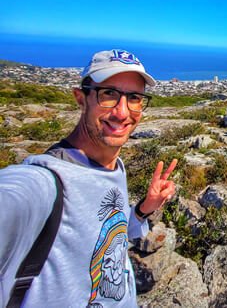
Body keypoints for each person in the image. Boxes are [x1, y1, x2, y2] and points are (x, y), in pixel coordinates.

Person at [0, 49, 177, 308]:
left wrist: (142, 210)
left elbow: (102, 237)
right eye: (108, 94)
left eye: (134, 97)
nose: (122, 111)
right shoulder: (42, 184)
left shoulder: (114, 167)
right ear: (80, 98)